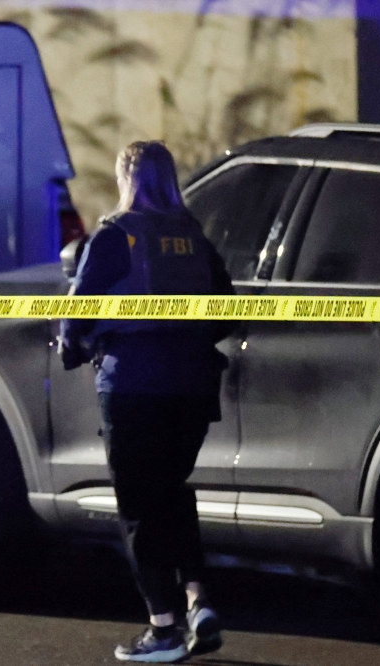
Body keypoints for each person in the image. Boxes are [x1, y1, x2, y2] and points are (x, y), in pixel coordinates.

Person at [60, 142, 234, 663]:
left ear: (127, 179)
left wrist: (74, 348)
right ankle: (198, 601)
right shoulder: (194, 236)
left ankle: (162, 631)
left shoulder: (116, 235)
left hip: (134, 387)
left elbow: (77, 313)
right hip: (193, 387)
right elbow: (228, 311)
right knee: (172, 494)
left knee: (139, 508)